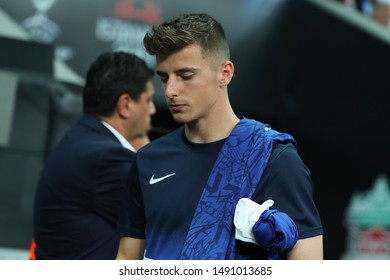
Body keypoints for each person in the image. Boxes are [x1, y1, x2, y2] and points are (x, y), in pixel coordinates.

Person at [116, 13, 323, 260]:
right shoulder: (148, 159)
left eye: (185, 75)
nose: (171, 90)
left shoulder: (276, 159)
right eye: (164, 78)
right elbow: (128, 258)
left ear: (224, 73)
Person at [32, 51, 156, 259]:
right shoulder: (108, 158)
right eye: (148, 99)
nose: (152, 109)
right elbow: (167, 224)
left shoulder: (81, 141)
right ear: (125, 105)